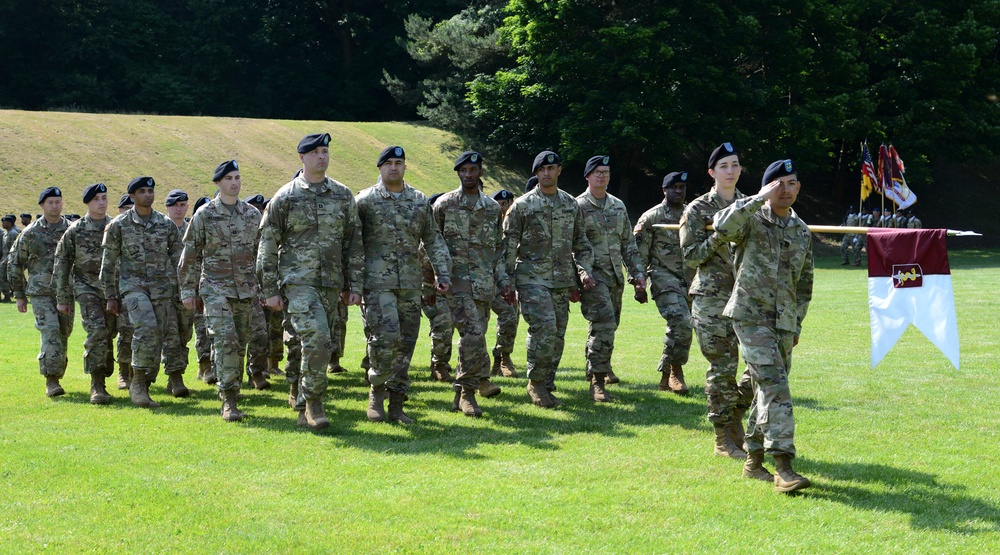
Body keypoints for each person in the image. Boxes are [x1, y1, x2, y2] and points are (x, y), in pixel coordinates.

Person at [714, 159, 814, 493]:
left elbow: (804, 284)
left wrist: (796, 323)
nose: (785, 190)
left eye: (791, 183)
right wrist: (757, 198)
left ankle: (753, 461)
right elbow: (723, 228)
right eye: (778, 184)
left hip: (783, 322)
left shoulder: (801, 231)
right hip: (750, 315)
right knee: (775, 386)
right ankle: (783, 466)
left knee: (763, 388)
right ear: (767, 188)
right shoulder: (751, 219)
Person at [258, 133, 364, 430]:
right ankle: (311, 403)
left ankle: (297, 390)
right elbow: (266, 245)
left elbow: (353, 243)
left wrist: (354, 284)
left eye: (325, 151)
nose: (322, 157)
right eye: (315, 152)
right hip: (297, 282)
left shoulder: (343, 195)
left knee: (310, 344)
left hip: (330, 283)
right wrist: (269, 290)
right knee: (318, 339)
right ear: (302, 158)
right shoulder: (286, 197)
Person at [356, 145, 451, 424]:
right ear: (380, 168)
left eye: (399, 162)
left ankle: (397, 403)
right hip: (376, 284)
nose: (394, 167)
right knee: (384, 339)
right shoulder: (364, 201)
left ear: (405, 167)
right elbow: (352, 243)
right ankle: (376, 390)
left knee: (405, 343)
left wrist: (441, 273)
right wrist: (352, 281)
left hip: (410, 284)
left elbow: (433, 239)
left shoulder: (419, 200)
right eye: (388, 163)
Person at [503, 150, 595, 408]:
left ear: (559, 171)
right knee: (544, 329)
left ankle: (547, 383)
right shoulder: (522, 206)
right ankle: (536, 383)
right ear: (536, 173)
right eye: (541, 169)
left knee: (557, 335)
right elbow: (508, 245)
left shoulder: (570, 204)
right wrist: (506, 281)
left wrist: (583, 271)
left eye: (551, 168)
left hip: (562, 280)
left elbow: (582, 244)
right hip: (531, 278)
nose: (546, 173)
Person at [679, 142, 752, 459]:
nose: (731, 170)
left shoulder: (751, 206)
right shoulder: (697, 210)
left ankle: (735, 416)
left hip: (748, 298)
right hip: (711, 299)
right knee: (722, 370)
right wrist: (720, 233)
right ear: (712, 172)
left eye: (735, 164)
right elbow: (691, 256)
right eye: (724, 165)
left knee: (760, 368)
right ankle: (723, 438)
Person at [180, 160, 264, 421]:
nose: (235, 183)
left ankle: (233, 393)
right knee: (226, 340)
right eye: (229, 178)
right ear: (218, 183)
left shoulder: (252, 215)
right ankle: (228, 400)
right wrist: (187, 291)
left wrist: (265, 288)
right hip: (215, 289)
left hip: (246, 291)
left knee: (239, 344)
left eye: (238, 177)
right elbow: (190, 256)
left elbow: (262, 255)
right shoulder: (204, 214)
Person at [432, 150, 511, 416]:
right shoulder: (444, 205)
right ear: (458, 173)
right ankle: (467, 393)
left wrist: (502, 282)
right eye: (463, 170)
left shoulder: (491, 208)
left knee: (474, 341)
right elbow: (430, 243)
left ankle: (458, 396)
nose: (468, 175)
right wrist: (433, 277)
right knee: (473, 337)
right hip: (455, 285)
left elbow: (498, 250)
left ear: (480, 173)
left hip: (484, 286)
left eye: (473, 170)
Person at [100, 176, 184, 409]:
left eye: (150, 190)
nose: (148, 195)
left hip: (161, 289)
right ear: (132, 196)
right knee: (145, 329)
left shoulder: (164, 224)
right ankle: (136, 383)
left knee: (156, 336)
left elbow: (179, 258)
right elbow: (108, 263)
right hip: (133, 287)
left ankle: (145, 382)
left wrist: (184, 288)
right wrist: (110, 295)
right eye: (142, 191)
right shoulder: (119, 225)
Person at [575, 155, 645, 401]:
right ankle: (598, 382)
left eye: (605, 172)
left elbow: (628, 244)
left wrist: (638, 273)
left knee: (608, 325)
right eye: (597, 172)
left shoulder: (617, 206)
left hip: (615, 276)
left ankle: (596, 365)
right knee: (604, 323)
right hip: (592, 277)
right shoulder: (578, 207)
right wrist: (580, 275)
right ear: (587, 176)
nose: (602, 176)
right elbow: (571, 245)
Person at [53, 183, 116, 404]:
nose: (101, 202)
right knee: (97, 331)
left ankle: (109, 373)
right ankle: (96, 384)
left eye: (104, 198)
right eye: (97, 198)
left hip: (113, 291)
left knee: (110, 334)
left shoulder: (116, 226)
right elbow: (62, 263)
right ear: (88, 202)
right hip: (86, 288)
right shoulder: (76, 230)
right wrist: (62, 298)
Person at [634, 171, 695, 394]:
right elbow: (640, 254)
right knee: (681, 321)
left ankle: (665, 376)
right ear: (664, 190)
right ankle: (676, 371)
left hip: (690, 280)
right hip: (663, 277)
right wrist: (638, 283)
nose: (678, 191)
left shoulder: (693, 214)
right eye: (674, 187)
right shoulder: (652, 217)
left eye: (682, 187)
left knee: (678, 326)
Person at [8, 187, 72, 397]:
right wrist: (19, 294)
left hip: (65, 293)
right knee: (51, 331)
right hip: (41, 292)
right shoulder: (31, 233)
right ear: (42, 206)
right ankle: (51, 380)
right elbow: (15, 263)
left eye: (58, 202)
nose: (55, 206)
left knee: (63, 334)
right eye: (50, 202)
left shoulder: (72, 230)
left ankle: (57, 371)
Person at [421, 193, 455, 383]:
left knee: (445, 322)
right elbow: (422, 263)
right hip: (421, 288)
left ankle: (440, 365)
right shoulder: (424, 233)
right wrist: (428, 289)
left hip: (444, 289)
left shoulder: (448, 234)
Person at [162, 189, 193, 396]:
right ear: (168, 208)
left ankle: (177, 373)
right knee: (170, 334)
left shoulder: (193, 229)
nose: (178, 209)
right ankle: (175, 377)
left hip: (188, 291)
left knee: (184, 333)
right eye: (175, 205)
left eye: (182, 205)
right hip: (165, 291)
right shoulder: (160, 228)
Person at [489, 189, 520, 378]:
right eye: (499, 203)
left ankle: (502, 359)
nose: (504, 206)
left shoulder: (515, 227)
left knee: (512, 318)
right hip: (488, 280)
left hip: (510, 280)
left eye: (507, 202)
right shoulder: (488, 225)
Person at [0, 214, 20, 303]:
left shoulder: (13, 234)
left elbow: (14, 248)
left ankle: (9, 295)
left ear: (9, 223)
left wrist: (8, 259)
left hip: (10, 259)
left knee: (11, 278)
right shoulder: (5, 234)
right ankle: (6, 295)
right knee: (2, 277)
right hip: (3, 258)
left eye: (4, 222)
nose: (2, 224)